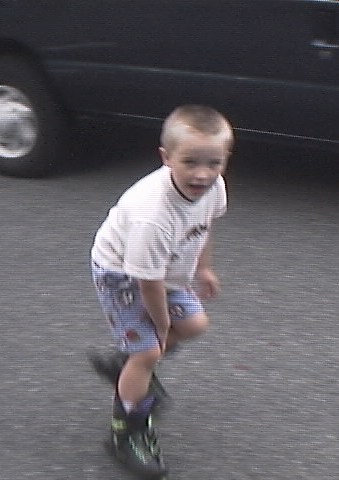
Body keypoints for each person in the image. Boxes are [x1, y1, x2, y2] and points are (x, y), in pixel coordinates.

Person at [88, 104, 233, 478]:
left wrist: (203, 268)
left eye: (214, 163)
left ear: (225, 159)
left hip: (161, 268)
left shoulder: (213, 187)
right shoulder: (152, 216)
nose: (202, 174)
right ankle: (125, 432)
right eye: (190, 162)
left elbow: (205, 226)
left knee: (195, 324)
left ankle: (126, 367)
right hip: (122, 273)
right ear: (166, 157)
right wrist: (162, 324)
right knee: (150, 349)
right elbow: (147, 284)